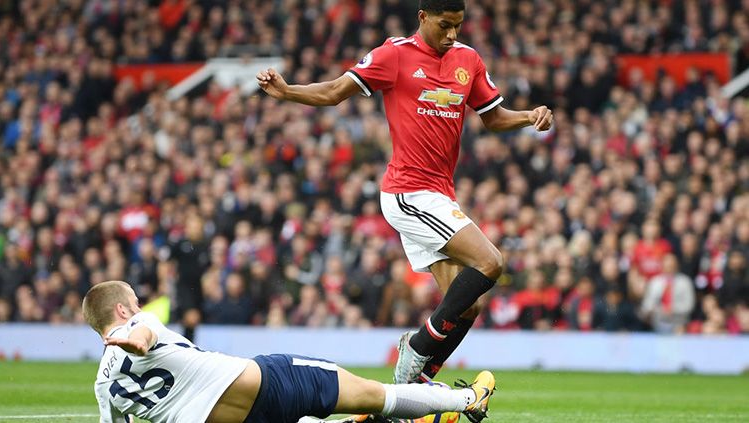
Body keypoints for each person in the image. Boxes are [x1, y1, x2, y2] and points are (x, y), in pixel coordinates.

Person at [257, 0, 553, 384]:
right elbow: (334, 91)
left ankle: (415, 384)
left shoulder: (468, 60)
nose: (452, 35)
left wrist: (529, 116)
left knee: (469, 307)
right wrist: (287, 92)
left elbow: (493, 117)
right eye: (445, 25)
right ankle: (415, 350)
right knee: (491, 263)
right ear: (423, 17)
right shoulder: (393, 55)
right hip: (407, 192)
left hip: (439, 195)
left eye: (458, 27)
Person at [83, 281, 496, 423]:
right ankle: (468, 400)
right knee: (376, 394)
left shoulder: (103, 385)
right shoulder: (138, 325)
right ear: (121, 310)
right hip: (267, 384)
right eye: (134, 302)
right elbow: (144, 339)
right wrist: (134, 337)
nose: (139, 307)